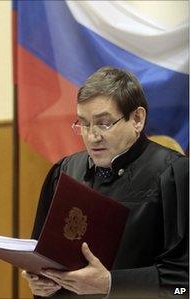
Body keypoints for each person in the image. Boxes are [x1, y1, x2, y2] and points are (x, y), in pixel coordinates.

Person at [22, 67, 188, 299]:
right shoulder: (65, 171)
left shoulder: (174, 174)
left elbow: (183, 285)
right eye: (84, 124)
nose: (92, 137)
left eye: (104, 124)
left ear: (137, 119)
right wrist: (42, 284)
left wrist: (111, 284)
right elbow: (42, 258)